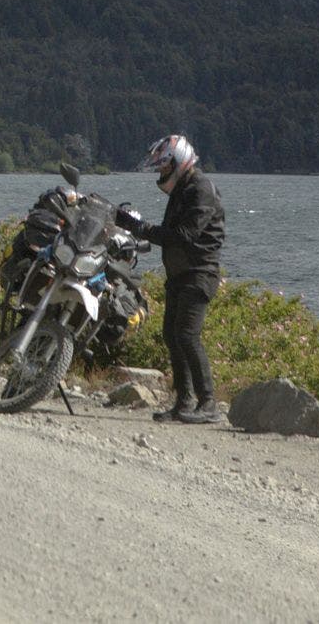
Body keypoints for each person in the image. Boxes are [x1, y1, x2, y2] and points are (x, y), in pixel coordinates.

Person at [116, 134, 225, 423]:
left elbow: (184, 236)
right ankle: (185, 402)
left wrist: (140, 228)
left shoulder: (200, 188)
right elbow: (170, 235)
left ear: (178, 162)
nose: (162, 174)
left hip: (199, 273)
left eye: (164, 168)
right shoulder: (183, 189)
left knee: (188, 336)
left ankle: (209, 403)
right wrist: (136, 231)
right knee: (172, 336)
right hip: (180, 274)